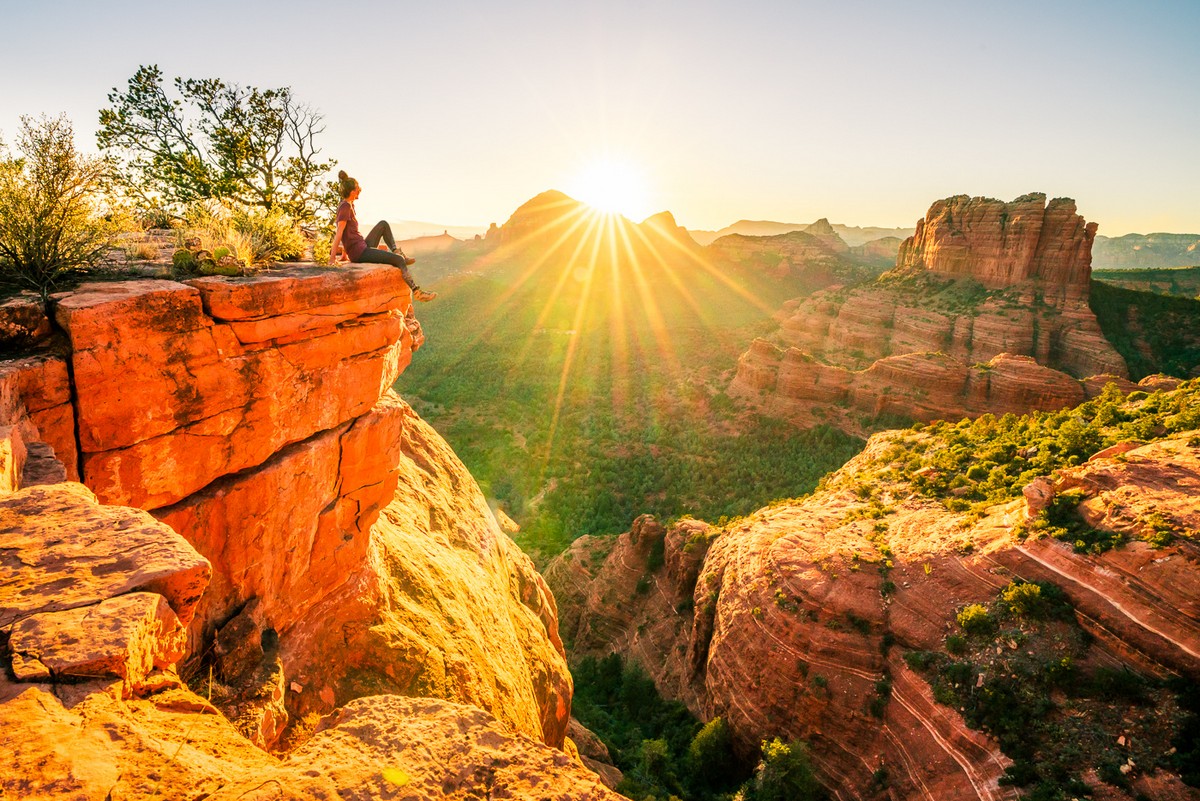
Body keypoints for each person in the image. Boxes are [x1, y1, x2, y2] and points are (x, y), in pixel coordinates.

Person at [329, 170, 437, 301]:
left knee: (383, 224)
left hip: (361, 246)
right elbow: (339, 232)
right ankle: (417, 291)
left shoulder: (349, 204)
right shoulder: (345, 206)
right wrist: (332, 258)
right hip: (360, 253)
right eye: (358, 189)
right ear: (352, 192)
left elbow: (348, 234)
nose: (360, 191)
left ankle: (396, 250)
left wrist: (345, 255)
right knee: (399, 260)